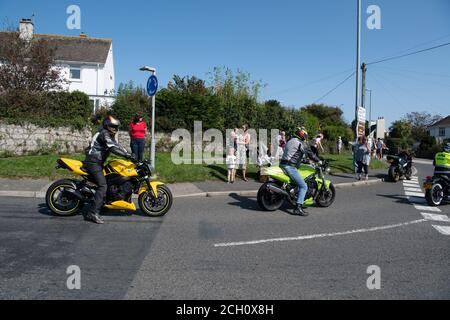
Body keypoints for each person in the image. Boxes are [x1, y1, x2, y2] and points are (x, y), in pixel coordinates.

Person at [84, 116, 136, 224]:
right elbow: (112, 148)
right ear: (107, 125)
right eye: (113, 126)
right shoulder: (104, 133)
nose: (115, 129)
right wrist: (126, 155)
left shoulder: (108, 134)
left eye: (116, 127)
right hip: (93, 163)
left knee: (110, 179)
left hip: (98, 162)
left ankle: (103, 202)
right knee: (103, 185)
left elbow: (117, 146)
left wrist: (128, 154)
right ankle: (93, 213)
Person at [280, 127, 321, 217]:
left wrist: (304, 161)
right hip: (290, 166)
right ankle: (298, 208)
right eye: (305, 135)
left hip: (282, 164)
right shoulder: (300, 143)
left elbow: (294, 154)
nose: (305, 137)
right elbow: (310, 154)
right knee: (303, 186)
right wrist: (319, 161)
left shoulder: (290, 140)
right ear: (302, 135)